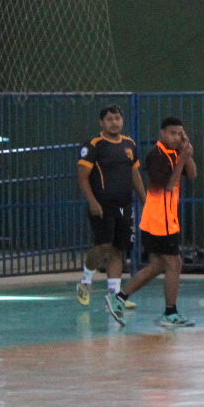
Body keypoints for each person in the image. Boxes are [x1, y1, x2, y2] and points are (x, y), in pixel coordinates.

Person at [112, 117, 196, 329]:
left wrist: (186, 154)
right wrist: (182, 158)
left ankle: (119, 297)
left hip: (167, 220)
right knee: (174, 263)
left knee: (158, 265)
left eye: (180, 134)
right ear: (162, 133)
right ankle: (170, 312)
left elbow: (192, 174)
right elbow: (168, 185)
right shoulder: (156, 156)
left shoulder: (176, 153)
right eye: (172, 133)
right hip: (159, 221)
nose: (176, 138)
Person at [76, 105, 144, 315]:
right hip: (102, 206)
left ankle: (114, 296)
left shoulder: (130, 144)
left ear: (122, 121)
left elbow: (135, 174)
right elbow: (82, 177)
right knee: (103, 246)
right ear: (102, 122)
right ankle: (85, 281)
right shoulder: (94, 145)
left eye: (117, 118)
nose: (114, 122)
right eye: (109, 119)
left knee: (118, 249)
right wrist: (92, 201)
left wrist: (145, 200)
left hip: (124, 206)